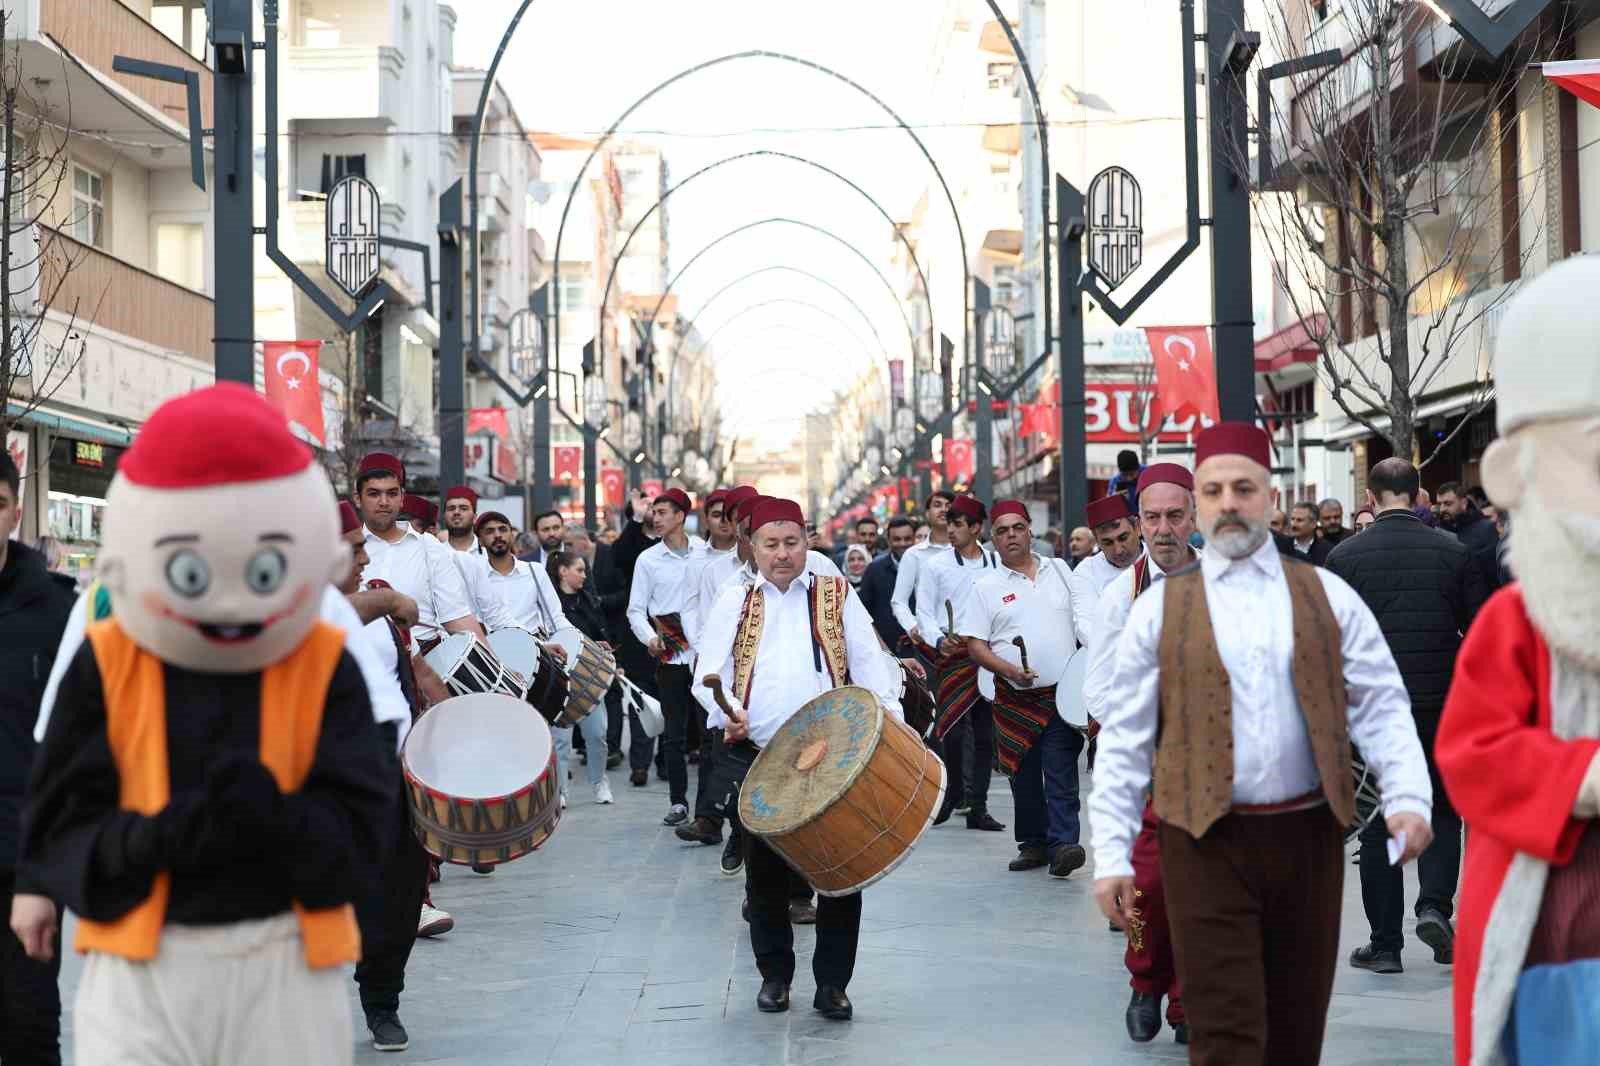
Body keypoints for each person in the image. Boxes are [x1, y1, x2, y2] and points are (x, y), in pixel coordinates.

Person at [13, 385, 394, 1066]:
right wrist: (133, 847)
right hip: (142, 965)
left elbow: (364, 827)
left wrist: (276, 821)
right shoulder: (109, 652)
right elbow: (62, 805)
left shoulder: (322, 655)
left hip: (287, 960)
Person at [1090, 422, 1432, 1066]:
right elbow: (1125, 743)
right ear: (1202, 504)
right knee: (1223, 1033)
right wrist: (1112, 854)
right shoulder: (1156, 612)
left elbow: (1381, 702)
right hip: (1201, 841)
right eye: (1214, 490)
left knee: (1296, 1030)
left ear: (1269, 498)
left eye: (1242, 489)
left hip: (1308, 841)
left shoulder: (1327, 596)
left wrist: (1408, 797)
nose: (1228, 503)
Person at [1430, 257, 1600, 1066]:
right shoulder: (1517, 622)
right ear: (1515, 474)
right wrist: (1583, 778)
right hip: (1561, 934)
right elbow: (1474, 753)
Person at [693, 497, 903, 1021]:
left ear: (806, 540)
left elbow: (870, 663)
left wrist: (890, 721)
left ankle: (833, 984)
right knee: (764, 877)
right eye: (771, 544)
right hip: (757, 755)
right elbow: (707, 674)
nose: (783, 554)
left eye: (792, 543)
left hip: (835, 756)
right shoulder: (734, 598)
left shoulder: (835, 592)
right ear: (753, 546)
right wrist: (730, 713)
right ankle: (774, 977)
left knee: (840, 871)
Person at [1327, 457, 1487, 976]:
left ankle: (1386, 943)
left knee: (1377, 818)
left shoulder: (1346, 557)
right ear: (1419, 497)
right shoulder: (1453, 551)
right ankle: (1436, 906)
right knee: (1441, 808)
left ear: (1371, 498)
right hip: (1442, 702)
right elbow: (1479, 632)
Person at [1083, 463, 1199, 1046]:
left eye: (1174, 515)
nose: (1163, 527)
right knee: (1147, 884)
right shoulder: (1118, 596)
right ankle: (1145, 982)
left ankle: (1187, 1002)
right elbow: (1097, 688)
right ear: (1138, 522)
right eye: (1152, 517)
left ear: (1193, 517)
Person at [333, 500, 447, 1051]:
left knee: (401, 894)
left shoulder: (375, 602)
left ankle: (383, 1002)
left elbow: (418, 672)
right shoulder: (289, 608)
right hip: (320, 789)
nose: (363, 556)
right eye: (352, 548)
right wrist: (387, 600)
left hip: (391, 775)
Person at [959, 500, 1083, 875]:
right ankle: (1033, 844)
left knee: (1061, 771)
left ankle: (1064, 844)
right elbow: (975, 646)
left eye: (1017, 527)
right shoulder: (985, 587)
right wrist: (1010, 670)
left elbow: (1084, 621)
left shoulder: (1061, 571)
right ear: (992, 538)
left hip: (1062, 695)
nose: (1011, 535)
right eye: (1002, 530)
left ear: (1030, 530)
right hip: (1014, 699)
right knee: (1023, 776)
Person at [0, 450, 75, 1064]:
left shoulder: (56, 611)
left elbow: (75, 748)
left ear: (15, 513)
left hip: (23, 862)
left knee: (28, 1032)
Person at [916, 495, 1004, 832]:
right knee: (950, 731)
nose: (950, 530)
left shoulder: (996, 564)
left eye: (957, 524)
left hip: (986, 653)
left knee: (984, 734)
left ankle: (978, 806)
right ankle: (952, 793)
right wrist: (938, 639)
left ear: (976, 528)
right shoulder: (935, 565)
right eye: (948, 524)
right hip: (951, 655)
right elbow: (924, 612)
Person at [626, 489, 705, 827]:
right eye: (653, 512)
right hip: (670, 657)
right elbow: (635, 610)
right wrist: (649, 639)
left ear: (680, 516)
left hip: (705, 657)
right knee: (673, 734)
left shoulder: (704, 552)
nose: (655, 518)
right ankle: (678, 802)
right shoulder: (648, 560)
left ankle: (708, 808)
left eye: (662, 512)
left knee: (707, 734)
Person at [354, 453, 484, 644]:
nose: (383, 502)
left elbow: (457, 617)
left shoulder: (428, 547)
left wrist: (498, 665)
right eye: (374, 494)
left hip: (422, 662)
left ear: (402, 497)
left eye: (392, 493)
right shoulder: (345, 549)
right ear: (358, 498)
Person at [546, 549, 615, 806]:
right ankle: (561, 790)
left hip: (590, 676)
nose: (585, 575)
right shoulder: (550, 604)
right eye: (580, 570)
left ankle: (599, 781)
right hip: (559, 678)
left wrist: (603, 648)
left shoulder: (589, 600)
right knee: (560, 739)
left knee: (596, 735)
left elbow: (600, 634)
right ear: (563, 571)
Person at [1068, 495, 1144, 651]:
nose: (1118, 549)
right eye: (1107, 542)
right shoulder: (1086, 572)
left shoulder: (1159, 558)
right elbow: (1086, 630)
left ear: (1137, 527)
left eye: (1123, 538)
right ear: (1096, 540)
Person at [890, 490, 955, 651]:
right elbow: (899, 601)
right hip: (929, 641)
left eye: (949, 506)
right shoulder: (914, 555)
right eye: (937, 505)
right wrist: (913, 627)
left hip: (968, 640)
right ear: (927, 513)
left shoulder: (970, 550)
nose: (944, 510)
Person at [858, 516, 916, 650]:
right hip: (888, 648)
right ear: (889, 541)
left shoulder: (926, 567)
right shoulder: (874, 569)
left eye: (907, 539)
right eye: (897, 539)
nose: (902, 543)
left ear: (914, 539)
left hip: (924, 648)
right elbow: (863, 612)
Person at [1437, 481, 1502, 595]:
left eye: (1448, 504)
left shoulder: (1485, 529)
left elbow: (1493, 574)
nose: (1442, 509)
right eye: (1439, 504)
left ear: (1463, 503)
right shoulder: (1438, 532)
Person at [440, 485, 480, 554]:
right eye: (451, 508)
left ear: (475, 517)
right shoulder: (435, 554)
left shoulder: (488, 553)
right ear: (444, 516)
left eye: (463, 508)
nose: (456, 512)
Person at [1108, 449, 1143, 513]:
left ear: (1138, 468)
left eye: (1132, 474)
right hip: (1129, 518)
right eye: (1125, 475)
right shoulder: (1116, 481)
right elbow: (1110, 505)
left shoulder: (1147, 474)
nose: (1129, 478)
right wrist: (1115, 498)